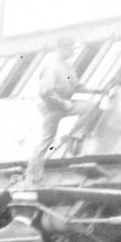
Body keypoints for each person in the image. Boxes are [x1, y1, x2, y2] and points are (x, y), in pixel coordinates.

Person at [26, 36, 90, 188]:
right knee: (47, 141)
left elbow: (75, 85)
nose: (72, 53)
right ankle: (32, 174)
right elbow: (45, 92)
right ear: (62, 49)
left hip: (66, 103)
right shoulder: (51, 67)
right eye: (70, 49)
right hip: (52, 107)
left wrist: (96, 90)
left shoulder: (67, 67)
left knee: (90, 108)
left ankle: (74, 136)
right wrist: (63, 104)